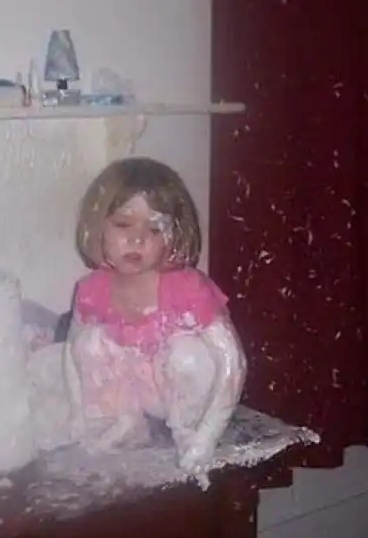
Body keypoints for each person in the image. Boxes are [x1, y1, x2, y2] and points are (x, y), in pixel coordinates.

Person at [63, 156, 247, 472]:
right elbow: (72, 351)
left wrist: (206, 438)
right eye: (123, 224)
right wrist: (78, 416)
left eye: (154, 229)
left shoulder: (188, 289)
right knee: (91, 341)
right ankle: (124, 422)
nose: (137, 239)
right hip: (136, 395)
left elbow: (233, 361)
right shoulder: (92, 289)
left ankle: (185, 429)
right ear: (98, 226)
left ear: (173, 235)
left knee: (185, 352)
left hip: (184, 400)